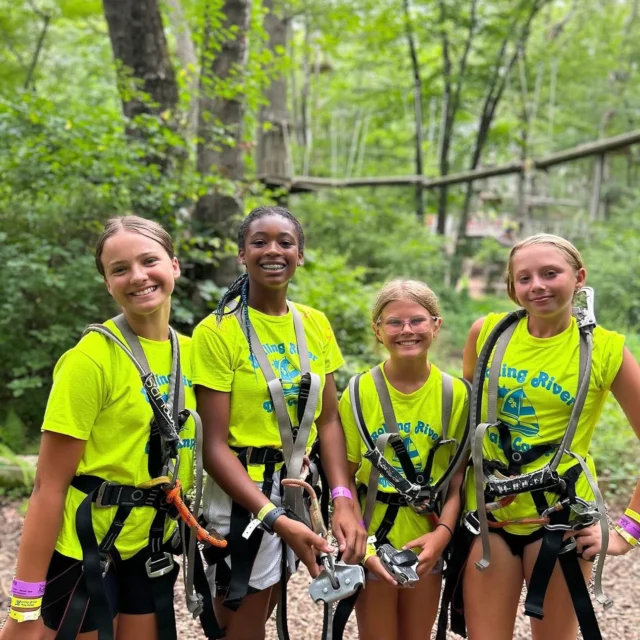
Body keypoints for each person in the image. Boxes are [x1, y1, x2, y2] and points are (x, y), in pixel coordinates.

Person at [1, 215, 201, 640]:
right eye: (120, 269)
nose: (138, 276)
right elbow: (47, 486)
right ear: (107, 284)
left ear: (175, 266)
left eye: (150, 261)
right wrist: (24, 603)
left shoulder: (193, 354)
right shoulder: (89, 360)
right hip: (88, 552)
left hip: (152, 545)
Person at [191, 205, 366, 640]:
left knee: (265, 604)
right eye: (260, 242)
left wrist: (342, 497)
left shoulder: (314, 324)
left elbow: (328, 421)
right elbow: (212, 447)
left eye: (285, 242)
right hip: (242, 496)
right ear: (241, 254)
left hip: (295, 486)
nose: (273, 251)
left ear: (300, 255)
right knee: (240, 614)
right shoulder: (217, 332)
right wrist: (271, 517)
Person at [459, 233, 640, 640]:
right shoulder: (486, 333)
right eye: (524, 278)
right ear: (512, 286)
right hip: (490, 519)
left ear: (579, 278)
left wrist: (629, 531)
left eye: (550, 273)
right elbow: (462, 423)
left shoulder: (605, 350)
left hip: (560, 521)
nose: (537, 285)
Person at [339, 280, 469, 640]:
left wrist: (442, 534)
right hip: (373, 541)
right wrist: (360, 546)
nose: (406, 330)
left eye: (417, 320)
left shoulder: (455, 395)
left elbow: (457, 481)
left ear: (436, 325)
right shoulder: (358, 391)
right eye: (394, 322)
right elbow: (346, 475)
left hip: (427, 539)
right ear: (377, 330)